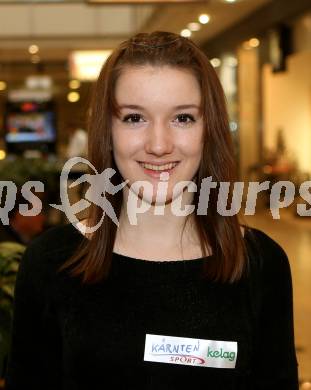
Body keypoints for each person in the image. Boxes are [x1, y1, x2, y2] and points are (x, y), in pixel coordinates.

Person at [4, 31, 298, 389]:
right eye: (134, 118)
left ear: (210, 130)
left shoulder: (259, 263)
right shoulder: (51, 262)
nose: (159, 144)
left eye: (183, 118)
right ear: (107, 131)